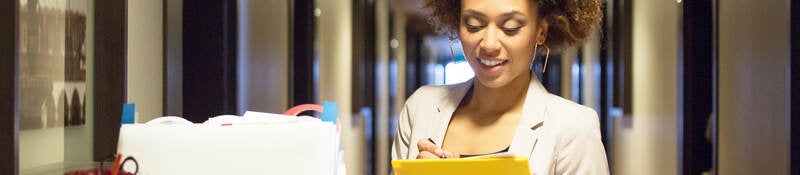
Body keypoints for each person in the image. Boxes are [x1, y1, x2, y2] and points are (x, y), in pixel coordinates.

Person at [391, 0, 608, 174]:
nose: (489, 44)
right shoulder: (420, 107)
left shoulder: (574, 128)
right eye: (473, 25)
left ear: (541, 31)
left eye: (510, 28)